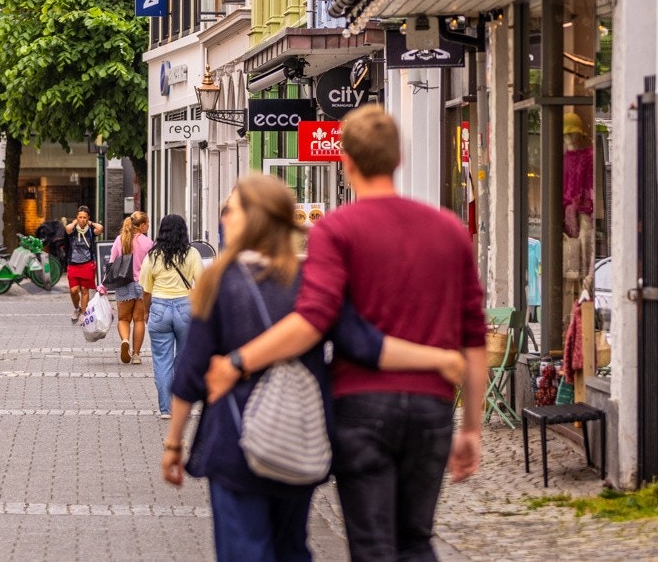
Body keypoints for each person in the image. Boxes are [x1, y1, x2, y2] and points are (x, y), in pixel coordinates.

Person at [206, 105, 487, 561]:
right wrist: (471, 425)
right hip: (432, 408)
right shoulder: (449, 230)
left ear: (346, 161)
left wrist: (239, 362)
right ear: (397, 159)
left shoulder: (337, 230)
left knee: (373, 546)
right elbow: (473, 335)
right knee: (416, 539)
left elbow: (314, 319)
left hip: (361, 408)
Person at [163, 175, 466, 562]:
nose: (225, 218)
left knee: (244, 550)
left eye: (230, 210)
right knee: (292, 547)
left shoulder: (220, 282)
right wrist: (438, 358)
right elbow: (365, 345)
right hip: (299, 439)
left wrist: (174, 443)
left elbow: (189, 375)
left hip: (235, 440)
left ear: (252, 219)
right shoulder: (311, 282)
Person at [143, 214, 201, 417]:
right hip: (185, 307)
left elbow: (146, 290)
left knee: (161, 360)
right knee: (184, 357)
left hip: (159, 307)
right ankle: (181, 403)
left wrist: (146, 311)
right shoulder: (192, 253)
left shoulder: (153, 255)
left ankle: (166, 408)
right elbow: (201, 283)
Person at [107, 211, 152, 364]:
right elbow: (152, 266)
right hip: (142, 284)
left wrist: (103, 286)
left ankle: (125, 340)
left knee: (123, 319)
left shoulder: (120, 240)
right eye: (148, 223)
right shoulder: (148, 243)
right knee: (139, 320)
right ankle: (137, 355)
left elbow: (112, 264)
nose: (149, 226)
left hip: (123, 283)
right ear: (143, 225)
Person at [63, 206, 104, 323]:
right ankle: (77, 308)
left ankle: (83, 314)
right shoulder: (73, 230)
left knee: (85, 289)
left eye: (85, 217)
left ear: (88, 218)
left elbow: (100, 228)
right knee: (74, 290)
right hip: (73, 264)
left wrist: (90, 223)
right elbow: (67, 228)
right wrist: (75, 222)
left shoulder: (90, 230)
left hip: (87, 264)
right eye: (80, 217)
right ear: (77, 217)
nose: (82, 220)